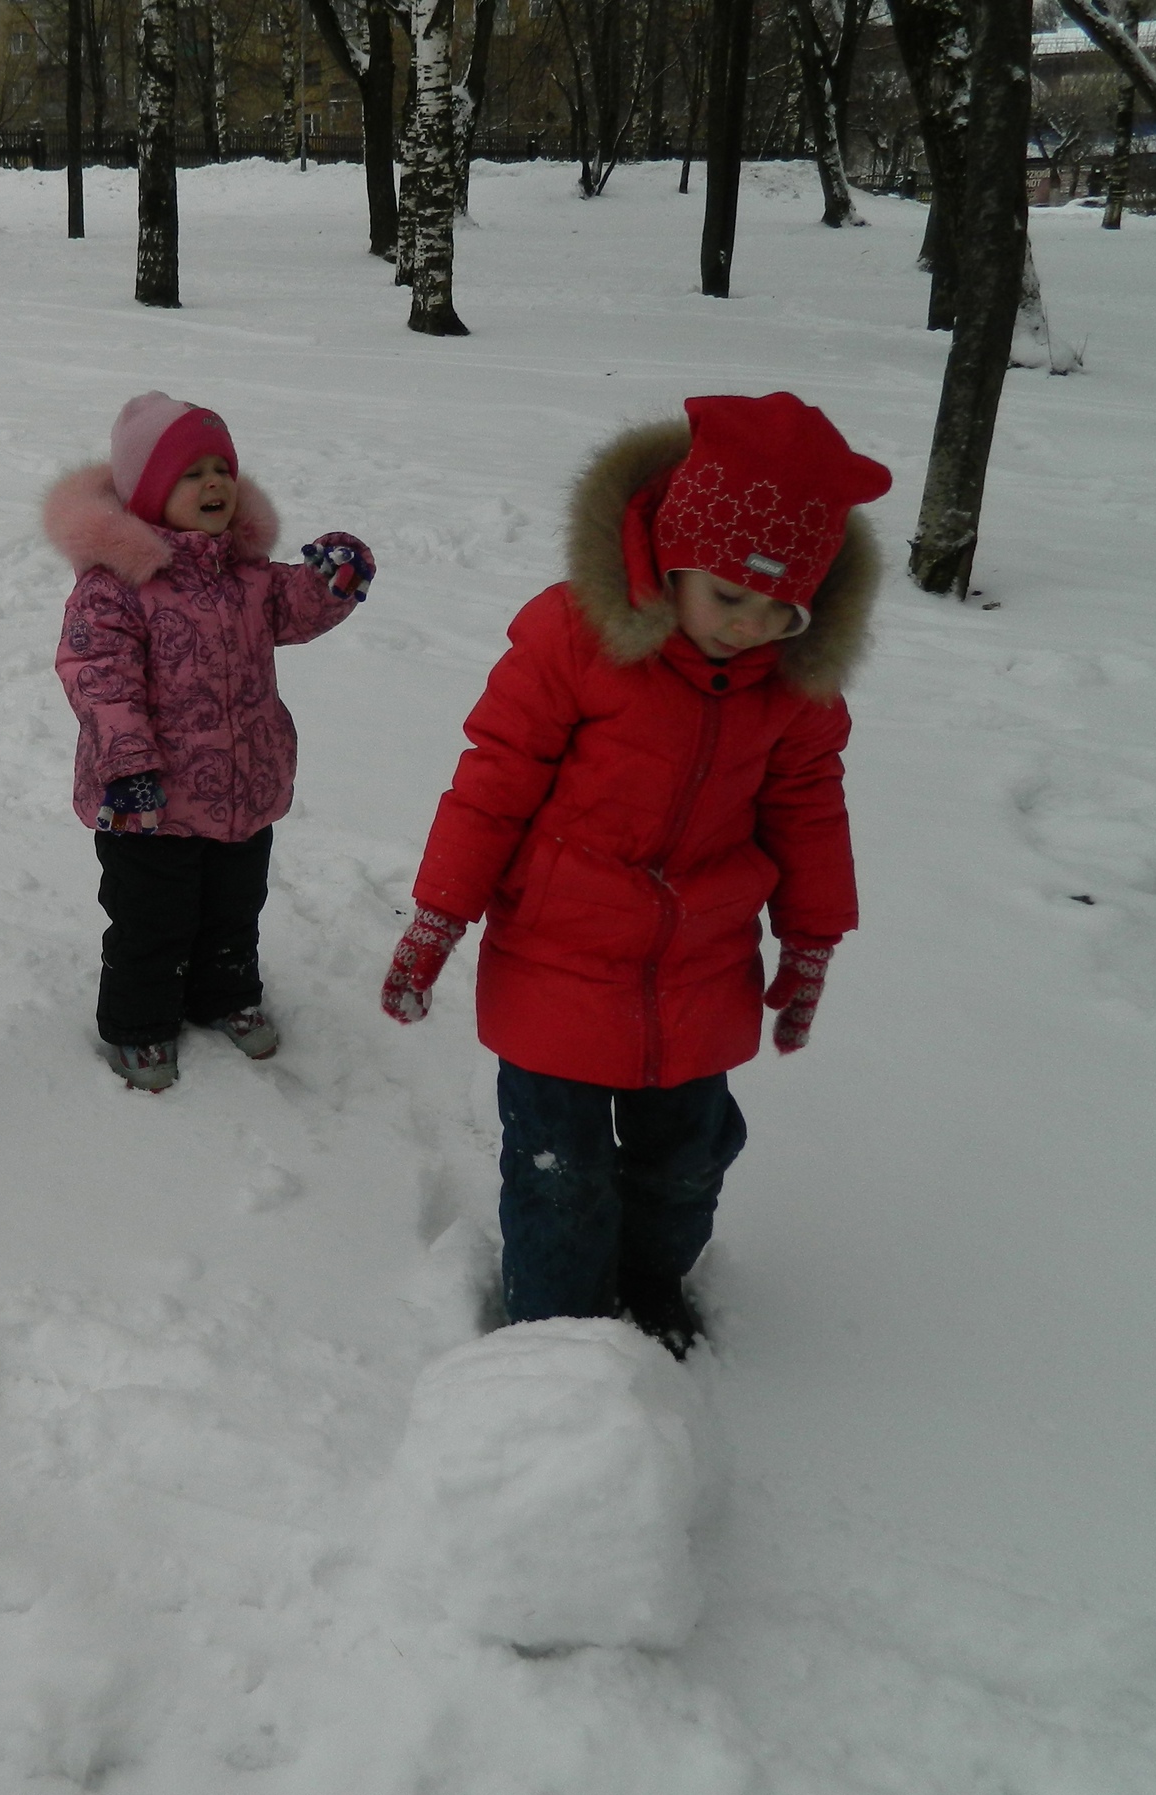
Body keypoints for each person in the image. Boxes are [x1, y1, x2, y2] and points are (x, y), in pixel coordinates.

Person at [380, 393, 892, 1354]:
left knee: (685, 1166)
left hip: (701, 962)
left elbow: (809, 809)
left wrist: (813, 938)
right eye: (728, 596)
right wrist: (440, 914)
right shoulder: (574, 639)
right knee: (559, 1170)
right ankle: (555, 1335)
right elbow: (494, 780)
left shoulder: (791, 691)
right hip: (556, 955)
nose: (749, 625)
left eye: (781, 608)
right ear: (671, 561)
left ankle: (652, 1286)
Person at [44, 393, 375, 1092]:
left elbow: (295, 607)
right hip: (148, 802)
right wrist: (127, 767)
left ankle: (224, 993)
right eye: (191, 473)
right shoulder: (116, 588)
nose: (215, 484)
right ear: (150, 492)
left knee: (234, 905)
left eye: (221, 467)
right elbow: (97, 678)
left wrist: (332, 580)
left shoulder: (247, 575)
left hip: (241, 789)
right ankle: (140, 1025)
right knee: (151, 920)